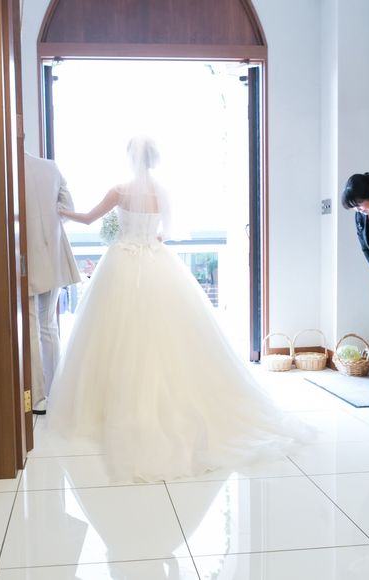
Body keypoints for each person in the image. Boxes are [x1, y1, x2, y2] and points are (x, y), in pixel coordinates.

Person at [45, 136, 309, 482]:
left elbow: (87, 219)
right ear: (153, 160)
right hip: (157, 263)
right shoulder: (163, 193)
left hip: (122, 263)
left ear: (130, 158)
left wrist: (61, 211)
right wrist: (150, 239)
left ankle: (103, 409)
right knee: (167, 334)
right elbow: (166, 233)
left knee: (115, 335)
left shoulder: (119, 191)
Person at [24, 152, 81, 414]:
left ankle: (36, 398)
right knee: (48, 325)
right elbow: (67, 208)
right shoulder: (50, 167)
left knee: (31, 327)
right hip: (54, 254)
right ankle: (56, 392)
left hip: (25, 256)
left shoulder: (6, 169)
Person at [341, 172, 369, 388]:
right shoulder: (360, 218)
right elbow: (365, 248)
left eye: (359, 204)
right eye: (354, 207)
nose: (358, 210)